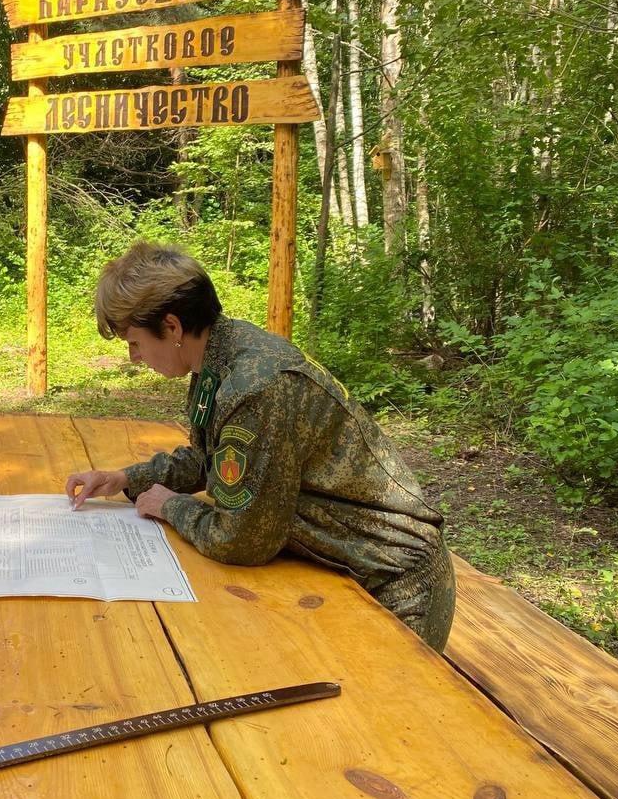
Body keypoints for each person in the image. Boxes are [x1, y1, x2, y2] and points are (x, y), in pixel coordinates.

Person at [64, 243, 455, 651]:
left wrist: (170, 506)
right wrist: (126, 478)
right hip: (340, 567)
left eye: (135, 342)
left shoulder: (255, 385)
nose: (134, 357)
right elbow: (209, 458)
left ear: (173, 326)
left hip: (394, 583)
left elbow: (243, 538)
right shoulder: (219, 358)